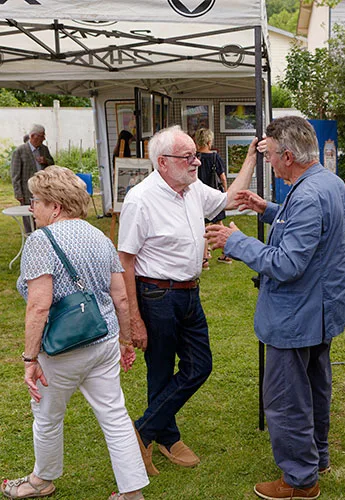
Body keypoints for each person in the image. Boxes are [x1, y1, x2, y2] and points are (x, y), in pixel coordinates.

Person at [205, 116, 345, 500]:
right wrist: (267, 208)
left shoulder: (307, 194)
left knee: (287, 399)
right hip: (321, 310)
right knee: (314, 386)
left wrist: (234, 241)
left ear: (288, 156)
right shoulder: (327, 182)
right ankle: (316, 458)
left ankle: (300, 481)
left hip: (297, 315)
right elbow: (309, 229)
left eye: (271, 156)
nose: (269, 162)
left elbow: (287, 264)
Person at [117, 125, 258, 477]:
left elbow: (228, 199)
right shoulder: (140, 199)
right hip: (156, 295)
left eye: (196, 154)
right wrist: (133, 319)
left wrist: (252, 158)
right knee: (161, 371)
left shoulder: (192, 188)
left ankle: (143, 432)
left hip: (189, 293)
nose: (197, 161)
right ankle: (166, 438)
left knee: (200, 365)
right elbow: (125, 262)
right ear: (162, 163)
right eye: (188, 157)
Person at [2, 166, 148, 500]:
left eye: (36, 201)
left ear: (55, 206)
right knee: (115, 416)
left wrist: (29, 358)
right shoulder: (99, 235)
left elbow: (39, 306)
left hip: (62, 348)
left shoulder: (41, 241)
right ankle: (132, 494)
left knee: (48, 416)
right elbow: (121, 296)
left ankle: (42, 481)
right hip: (105, 339)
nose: (31, 207)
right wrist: (124, 340)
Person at [194, 127, 232, 268]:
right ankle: (226, 253)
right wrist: (225, 193)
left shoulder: (195, 157)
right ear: (209, 141)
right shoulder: (216, 157)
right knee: (219, 225)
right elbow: (222, 177)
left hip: (199, 195)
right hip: (214, 195)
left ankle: (204, 260)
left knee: (202, 227)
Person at [10, 124, 54, 233]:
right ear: (33, 136)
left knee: (44, 211)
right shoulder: (20, 151)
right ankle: (30, 236)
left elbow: (52, 164)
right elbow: (15, 174)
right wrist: (18, 193)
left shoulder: (44, 149)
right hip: (27, 190)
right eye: (42, 136)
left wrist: (46, 161)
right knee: (28, 216)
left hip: (43, 188)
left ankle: (44, 234)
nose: (44, 138)